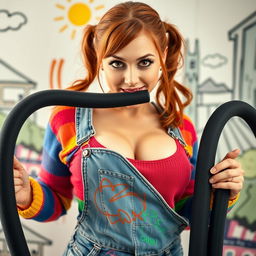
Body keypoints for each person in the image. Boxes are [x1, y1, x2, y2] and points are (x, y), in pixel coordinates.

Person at [14, 1, 244, 255]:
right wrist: (26, 194)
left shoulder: (182, 127)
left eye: (144, 62)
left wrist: (222, 192)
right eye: (117, 64)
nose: (131, 79)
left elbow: (190, 213)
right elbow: (56, 200)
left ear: (163, 55)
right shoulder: (66, 119)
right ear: (100, 60)